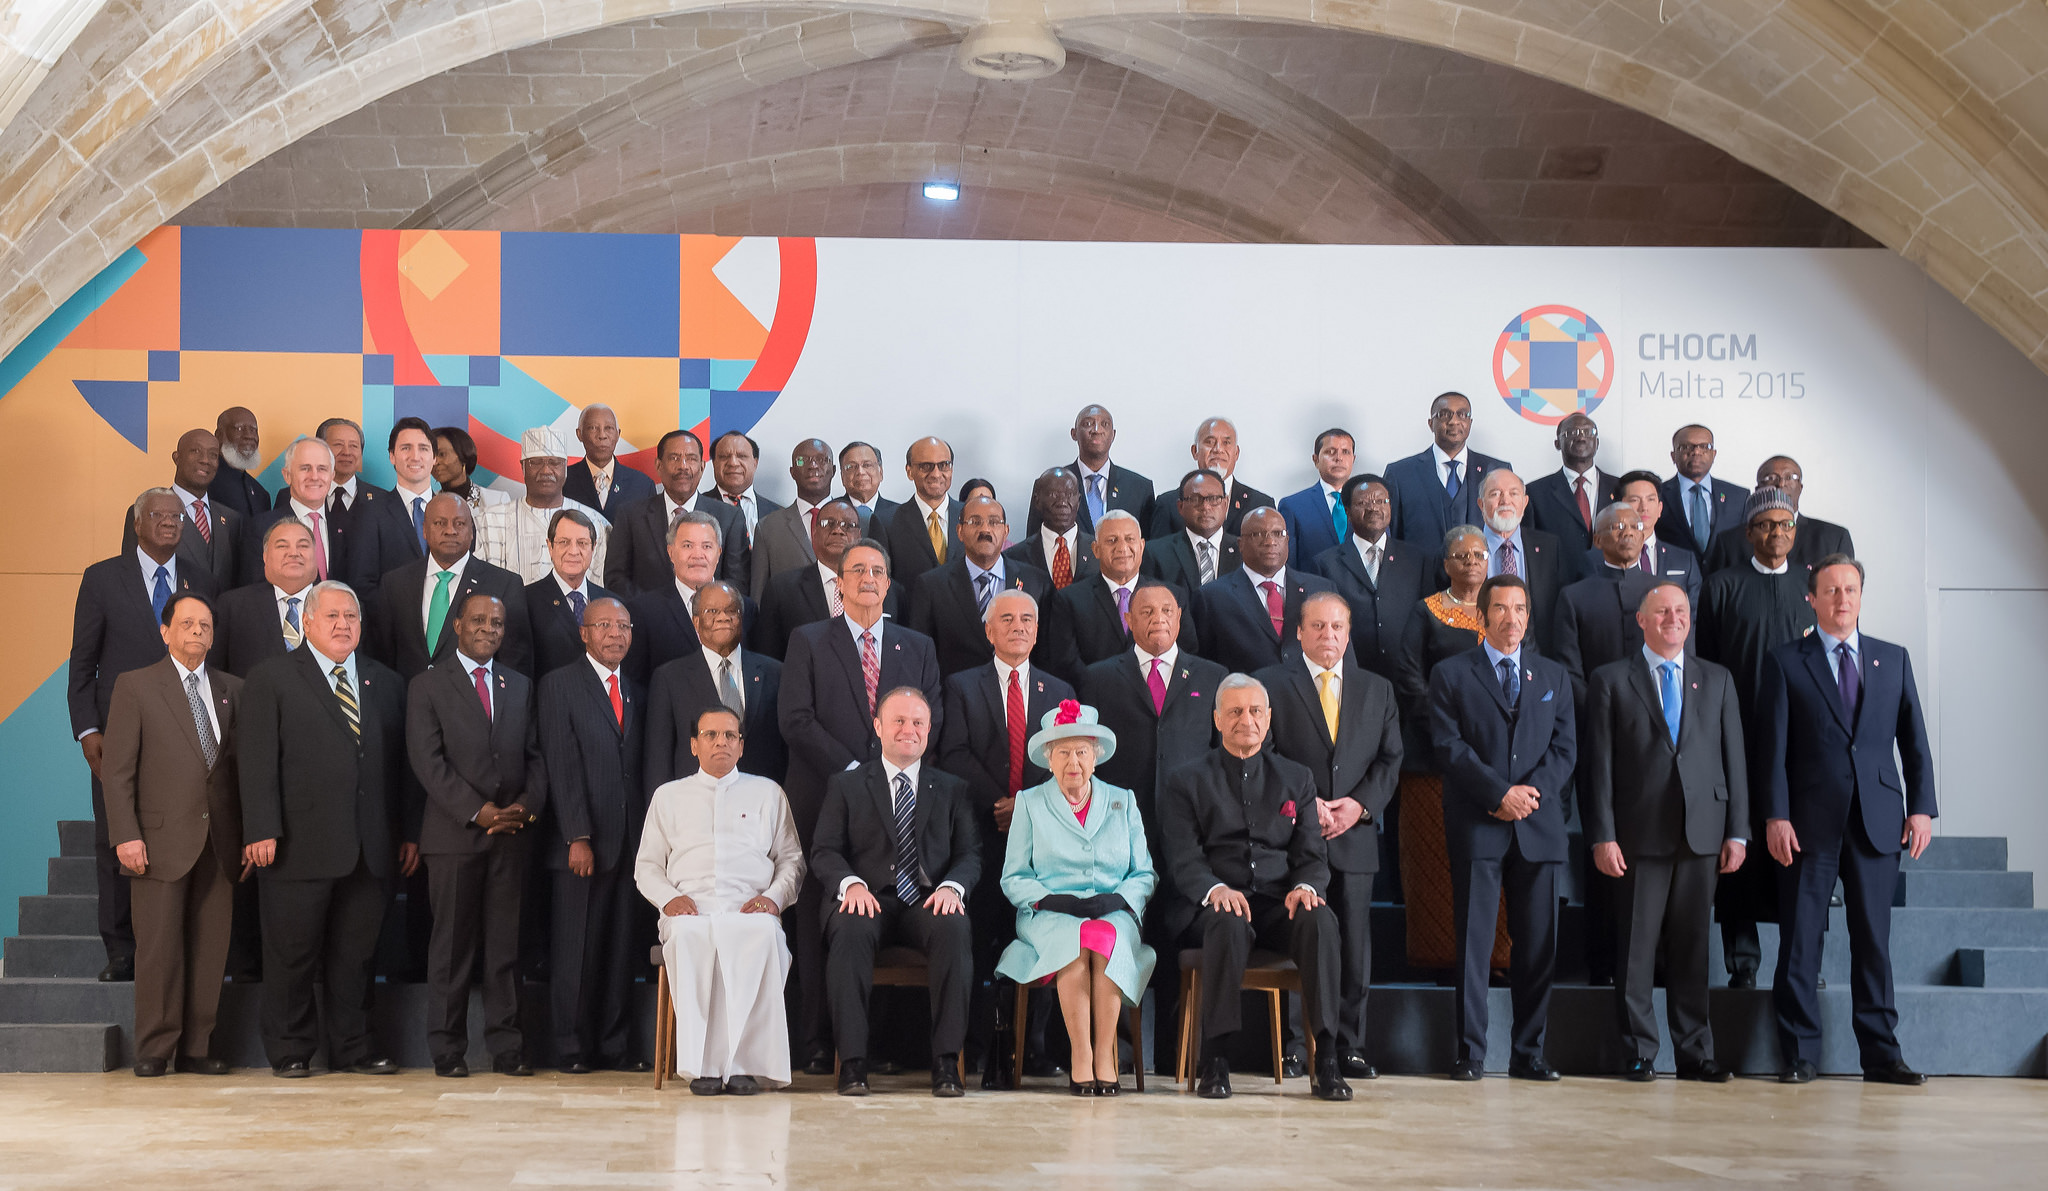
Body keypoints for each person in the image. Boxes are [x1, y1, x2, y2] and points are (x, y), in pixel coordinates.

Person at [1760, 556, 1936, 1086]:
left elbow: (1915, 743)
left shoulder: (1893, 659)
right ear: (1811, 599)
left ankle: (1882, 1056)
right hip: (1808, 824)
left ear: (1861, 597)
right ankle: (1798, 1055)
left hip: (1879, 821)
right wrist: (1775, 815)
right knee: (1801, 941)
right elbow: (1772, 750)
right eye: (1831, 590)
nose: (1842, 599)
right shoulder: (1787, 661)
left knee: (1874, 942)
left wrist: (1922, 807)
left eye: (1851, 589)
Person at [779, 539, 944, 1073]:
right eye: (857, 571)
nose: (868, 579)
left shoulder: (915, 646)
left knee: (894, 904)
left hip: (902, 799)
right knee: (819, 916)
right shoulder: (808, 640)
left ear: (888, 582)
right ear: (841, 584)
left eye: (878, 570)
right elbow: (796, 719)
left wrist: (888, 776)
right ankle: (816, 1042)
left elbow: (929, 718)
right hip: (824, 793)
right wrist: (857, 772)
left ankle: (889, 1045)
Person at [238, 580, 413, 1077]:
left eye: (351, 617)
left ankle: (354, 1049)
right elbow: (255, 761)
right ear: (307, 622)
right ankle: (291, 1050)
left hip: (370, 847)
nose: (343, 625)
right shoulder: (271, 677)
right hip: (295, 846)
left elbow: (399, 769)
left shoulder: (386, 682)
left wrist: (408, 833)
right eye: (332, 617)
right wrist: (261, 829)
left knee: (356, 960)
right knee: (292, 957)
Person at [1584, 581, 1748, 1082]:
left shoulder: (1717, 679)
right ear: (1642, 620)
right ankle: (1639, 1051)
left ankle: (1696, 1053)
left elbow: (1734, 761)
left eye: (1680, 611)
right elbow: (1599, 767)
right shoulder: (1611, 680)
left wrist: (1738, 831)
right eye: (1661, 612)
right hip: (1637, 836)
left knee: (1693, 949)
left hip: (1702, 835)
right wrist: (1602, 834)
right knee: (1635, 950)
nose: (1672, 619)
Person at [1159, 674, 1349, 1101]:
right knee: (1226, 920)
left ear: (1268, 719)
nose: (1247, 719)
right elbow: (1183, 859)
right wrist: (1214, 890)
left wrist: (1304, 886)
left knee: (1320, 918)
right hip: (1213, 905)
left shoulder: (1296, 778)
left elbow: (1312, 856)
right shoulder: (1186, 780)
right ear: (1218, 720)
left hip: (1278, 901)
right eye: (1236, 711)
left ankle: (1328, 1058)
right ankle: (1216, 1058)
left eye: (1255, 711)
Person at [1428, 574, 1575, 1082]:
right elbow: (1448, 747)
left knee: (1537, 947)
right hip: (1479, 824)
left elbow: (1564, 750)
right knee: (1474, 947)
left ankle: (1529, 1053)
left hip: (1539, 827)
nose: (1511, 618)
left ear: (1528, 617)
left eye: (1520, 609)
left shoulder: (1553, 676)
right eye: (1501, 609)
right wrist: (1498, 794)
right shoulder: (1451, 674)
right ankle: (1471, 1053)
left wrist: (1527, 796)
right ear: (1482, 616)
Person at [71, 488, 221, 981]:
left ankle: (178, 942)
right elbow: (83, 665)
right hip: (118, 731)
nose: (169, 522)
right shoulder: (101, 578)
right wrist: (88, 728)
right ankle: (121, 949)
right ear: (136, 523)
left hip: (184, 730)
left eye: (177, 516)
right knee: (116, 835)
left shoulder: (200, 579)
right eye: (158, 515)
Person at [1077, 580, 1224, 1073]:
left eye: (1166, 610)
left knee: (1179, 939)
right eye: (1145, 610)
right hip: (1119, 836)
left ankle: (1178, 1058)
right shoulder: (1098, 678)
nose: (1157, 618)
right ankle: (1116, 1054)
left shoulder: (1212, 676)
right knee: (1119, 941)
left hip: (1190, 837)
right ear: (1129, 621)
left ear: (1180, 618)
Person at [1256, 592, 1401, 1083]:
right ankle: (1298, 1048)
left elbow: (1389, 759)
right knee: (1305, 943)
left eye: (1338, 627)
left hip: (1355, 836)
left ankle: (1350, 1046)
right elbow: (1264, 753)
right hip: (1297, 839)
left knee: (1355, 948)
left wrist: (1359, 805)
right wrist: (1307, 803)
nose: (1329, 636)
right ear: (1299, 632)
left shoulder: (1377, 689)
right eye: (1318, 627)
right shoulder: (1271, 684)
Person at [936, 588, 1077, 1086]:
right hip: (979, 834)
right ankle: (976, 1045)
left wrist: (1026, 806)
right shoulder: (960, 686)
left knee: (1040, 937)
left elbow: (1068, 762)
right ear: (989, 630)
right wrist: (1000, 801)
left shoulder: (1060, 690)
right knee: (977, 939)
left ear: (1038, 631)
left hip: (1041, 840)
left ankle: (1032, 1046)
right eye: (1007, 619)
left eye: (1027, 620)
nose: (1018, 627)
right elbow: (951, 753)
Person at [405, 592, 547, 1078]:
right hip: (454, 836)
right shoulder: (427, 686)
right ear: (458, 624)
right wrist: (477, 811)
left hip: (511, 835)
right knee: (451, 949)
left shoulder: (519, 685)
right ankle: (447, 1051)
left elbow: (534, 756)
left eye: (498, 622)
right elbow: (428, 763)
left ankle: (508, 1049)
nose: (489, 628)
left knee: (505, 947)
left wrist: (525, 808)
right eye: (480, 620)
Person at [101, 591, 242, 1076]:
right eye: (187, 624)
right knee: (159, 946)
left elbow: (238, 771)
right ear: (165, 632)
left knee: (211, 946)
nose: (197, 632)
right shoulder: (136, 686)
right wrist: (125, 834)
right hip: (157, 840)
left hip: (220, 841)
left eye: (205, 625)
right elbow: (117, 771)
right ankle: (156, 1048)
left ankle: (198, 1047)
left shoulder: (232, 689)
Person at [814, 687, 979, 1097]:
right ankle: (853, 1064)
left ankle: (945, 1064)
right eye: (899, 721)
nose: (909, 730)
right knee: (850, 928)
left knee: (955, 926)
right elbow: (824, 851)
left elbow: (971, 854)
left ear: (929, 729)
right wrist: (849, 884)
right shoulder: (847, 784)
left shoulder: (953, 789)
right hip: (868, 898)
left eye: (918, 723)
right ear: (878, 727)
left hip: (927, 899)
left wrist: (953, 887)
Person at [636, 705, 805, 1094]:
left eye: (730, 735)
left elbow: (792, 860)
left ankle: (744, 1066)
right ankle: (703, 1068)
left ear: (742, 746)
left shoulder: (768, 793)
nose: (721, 743)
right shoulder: (668, 796)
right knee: (691, 939)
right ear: (694, 745)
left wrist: (773, 899)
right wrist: (669, 899)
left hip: (750, 907)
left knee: (762, 936)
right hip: (689, 908)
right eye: (711, 735)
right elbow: (646, 866)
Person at [997, 702, 1157, 1096]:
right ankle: (1081, 1056)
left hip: (1112, 911)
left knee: (1103, 938)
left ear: (1096, 756)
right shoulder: (1030, 803)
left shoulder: (1124, 800)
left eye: (1082, 751)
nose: (1074, 762)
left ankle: (1106, 1056)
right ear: (1049, 758)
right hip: (1048, 914)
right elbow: (1013, 877)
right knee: (1075, 941)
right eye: (1063, 752)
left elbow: (1145, 874)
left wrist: (1117, 899)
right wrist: (1054, 901)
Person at [1695, 487, 1816, 989]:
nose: (1776, 533)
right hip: (1736, 737)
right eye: (1765, 525)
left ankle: (1800, 962)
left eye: (1784, 525)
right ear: (1748, 533)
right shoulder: (1721, 587)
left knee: (1798, 855)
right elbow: (1703, 664)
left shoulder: (1813, 589)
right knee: (1738, 849)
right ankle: (1741, 963)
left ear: (1795, 531)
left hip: (1801, 743)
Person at [537, 596, 651, 1073]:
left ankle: (615, 1046)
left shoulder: (638, 690)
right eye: (603, 625)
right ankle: (571, 1048)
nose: (614, 634)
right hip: (582, 844)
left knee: (622, 949)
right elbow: (561, 765)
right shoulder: (559, 684)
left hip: (630, 844)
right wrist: (576, 836)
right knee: (576, 951)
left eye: (623, 626)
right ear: (583, 633)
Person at [1393, 524, 1492, 971]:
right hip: (1433, 757)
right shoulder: (1426, 611)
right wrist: (1450, 725)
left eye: (1479, 554)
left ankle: (1495, 959)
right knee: (1433, 863)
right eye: (1462, 555)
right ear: (1446, 564)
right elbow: (1409, 677)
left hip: (1494, 760)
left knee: (1490, 865)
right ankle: (1437, 956)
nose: (1472, 562)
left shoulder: (1504, 609)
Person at [369, 493, 532, 680]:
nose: (450, 531)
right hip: (407, 704)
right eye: (440, 523)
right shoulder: (395, 584)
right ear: (424, 530)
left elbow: (516, 667)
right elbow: (382, 659)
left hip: (474, 706)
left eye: (459, 523)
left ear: (471, 532)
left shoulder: (504, 585)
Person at [645, 580, 785, 787]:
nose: (723, 617)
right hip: (694, 804)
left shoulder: (775, 672)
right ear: (696, 622)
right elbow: (658, 759)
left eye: (731, 610)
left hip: (759, 802)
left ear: (741, 618)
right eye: (712, 611)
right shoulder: (669, 678)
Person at [907, 494, 1055, 676]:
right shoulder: (931, 586)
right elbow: (921, 656)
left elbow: (1047, 654)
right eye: (975, 522)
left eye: (994, 522)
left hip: (1020, 695)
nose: (985, 529)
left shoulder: (1036, 582)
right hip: (956, 698)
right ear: (959, 531)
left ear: (1006, 531)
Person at [1047, 509, 1195, 678]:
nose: (1122, 548)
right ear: (1096, 549)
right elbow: (1065, 662)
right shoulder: (1069, 600)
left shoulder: (1172, 595)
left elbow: (1187, 654)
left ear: (1142, 546)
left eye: (1129, 539)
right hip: (1095, 697)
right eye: (1112, 540)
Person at [1314, 474, 1428, 686]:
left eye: (1380, 501)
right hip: (1351, 679)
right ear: (1347, 511)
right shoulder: (1325, 564)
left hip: (1409, 678)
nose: (1373, 507)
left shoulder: (1416, 560)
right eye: (1363, 502)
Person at [605, 429, 748, 596]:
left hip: (708, 618)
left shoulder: (729, 517)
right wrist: (651, 608)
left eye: (691, 458)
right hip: (647, 619)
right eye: (674, 458)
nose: (683, 466)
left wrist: (701, 604)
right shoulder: (630, 515)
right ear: (658, 466)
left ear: (702, 467)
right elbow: (615, 579)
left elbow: (738, 582)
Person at [622, 510, 757, 684]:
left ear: (719, 553)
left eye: (707, 546)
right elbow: (635, 684)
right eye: (687, 546)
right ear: (671, 552)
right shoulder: (643, 611)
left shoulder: (746, 609)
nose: (697, 555)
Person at [1194, 507, 1333, 675]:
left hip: (1311, 695)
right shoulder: (1212, 597)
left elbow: (1342, 654)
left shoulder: (1321, 589)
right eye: (1258, 534)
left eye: (1277, 533)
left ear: (1287, 539)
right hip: (1246, 697)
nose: (1270, 542)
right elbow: (1205, 666)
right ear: (1240, 544)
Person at [756, 498, 896, 660]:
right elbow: (768, 660)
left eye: (847, 525)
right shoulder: (782, 589)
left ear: (859, 535)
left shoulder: (888, 590)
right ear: (814, 534)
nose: (837, 531)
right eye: (828, 524)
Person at [477, 427, 611, 584]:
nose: (546, 470)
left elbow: (600, 590)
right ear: (523, 467)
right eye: (536, 462)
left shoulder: (596, 523)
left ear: (565, 468)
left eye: (554, 463)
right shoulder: (490, 521)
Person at [1383, 391, 1511, 550]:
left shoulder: (1496, 470)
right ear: (1430, 423)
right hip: (1419, 572)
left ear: (1470, 422)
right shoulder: (1400, 474)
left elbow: (1508, 531)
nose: (1454, 421)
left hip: (1481, 572)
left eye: (1462, 415)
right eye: (1444, 414)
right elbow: (1391, 534)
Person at [119, 428, 240, 586]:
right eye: (195, 451)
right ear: (176, 458)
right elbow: (131, 575)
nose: (205, 460)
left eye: (213, 455)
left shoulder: (231, 519)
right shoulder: (145, 511)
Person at [1703, 455, 1857, 575]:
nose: (1781, 484)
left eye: (1790, 477)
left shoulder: (1834, 538)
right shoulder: (1730, 541)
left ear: (1800, 487)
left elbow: (1847, 596)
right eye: (1771, 478)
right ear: (1758, 489)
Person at [344, 417, 440, 598]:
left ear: (434, 457)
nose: (415, 456)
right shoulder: (370, 513)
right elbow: (362, 584)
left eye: (423, 448)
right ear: (392, 456)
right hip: (392, 623)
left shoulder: (453, 512)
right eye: (406, 448)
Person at [213, 518, 319, 677]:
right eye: (282, 546)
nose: (293, 553)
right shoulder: (232, 607)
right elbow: (216, 674)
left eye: (303, 545)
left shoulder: (343, 605)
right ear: (265, 556)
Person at [1475, 469, 1563, 654]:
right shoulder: (1466, 548)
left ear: (1524, 503)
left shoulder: (1549, 547)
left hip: (1538, 659)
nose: (1505, 501)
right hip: (1479, 658)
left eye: (1513, 493)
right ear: (1481, 504)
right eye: (1495, 494)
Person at [524, 509, 618, 679]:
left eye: (582, 543)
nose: (573, 551)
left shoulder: (611, 602)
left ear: (593, 547)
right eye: (564, 542)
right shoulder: (527, 601)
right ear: (550, 547)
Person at [1524, 412, 1614, 583]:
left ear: (1597, 443)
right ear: (1557, 444)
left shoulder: (1619, 488)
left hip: (1610, 587)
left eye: (1588, 432)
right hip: (1556, 589)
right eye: (1571, 433)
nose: (1581, 438)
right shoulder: (1535, 493)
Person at [239, 437, 339, 587]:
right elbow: (255, 590)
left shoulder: (349, 525)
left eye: (322, 469)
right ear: (287, 475)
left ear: (332, 476)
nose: (314, 476)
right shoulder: (261, 528)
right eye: (305, 468)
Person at [1149, 417, 1273, 537]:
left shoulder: (1260, 504)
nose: (1218, 449)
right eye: (1210, 442)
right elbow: (1157, 555)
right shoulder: (1167, 504)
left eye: (1226, 443)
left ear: (1236, 453)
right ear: (1195, 451)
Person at [749, 438, 837, 601]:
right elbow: (759, 596)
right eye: (803, 460)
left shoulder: (856, 522)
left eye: (821, 459)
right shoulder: (768, 527)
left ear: (833, 470)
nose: (813, 465)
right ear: (792, 472)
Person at [1609, 469, 1702, 606]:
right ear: (1618, 508)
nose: (1644, 507)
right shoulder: (1601, 560)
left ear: (1660, 508)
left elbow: (1692, 615)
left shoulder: (1685, 560)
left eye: (1651, 499)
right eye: (1635, 500)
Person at [1056, 404, 1154, 535]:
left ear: (1113, 435)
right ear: (1074, 434)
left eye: (1105, 424)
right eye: (1088, 423)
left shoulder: (1139, 488)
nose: (1097, 430)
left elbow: (1148, 548)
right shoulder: (1053, 484)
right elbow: (1034, 546)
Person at [880, 436, 962, 591]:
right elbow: (884, 584)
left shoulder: (969, 516)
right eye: (926, 466)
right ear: (909, 471)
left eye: (944, 465)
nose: (936, 474)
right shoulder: (887, 522)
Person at [1143, 470, 1243, 592]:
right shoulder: (1155, 553)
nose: (1205, 507)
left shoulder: (1244, 551)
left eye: (1214, 499)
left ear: (1226, 504)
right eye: (1195, 499)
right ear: (1180, 507)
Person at [1657, 424, 1747, 558]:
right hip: (1673, 578)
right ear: (1673, 456)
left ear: (1714, 454)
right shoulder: (1657, 495)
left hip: (1726, 577)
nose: (1696, 452)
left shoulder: (1739, 497)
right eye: (1686, 447)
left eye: (1705, 447)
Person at [1277, 428, 1355, 575]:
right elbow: (1288, 565)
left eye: (1345, 452)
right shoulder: (1293, 506)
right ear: (1316, 459)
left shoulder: (1369, 504)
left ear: (1353, 459)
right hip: (1313, 593)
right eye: (1330, 452)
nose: (1338, 458)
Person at [1006, 468, 1096, 589]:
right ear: (1037, 501)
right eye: (1053, 495)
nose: (1062, 503)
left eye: (1069, 495)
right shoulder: (1013, 557)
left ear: (1078, 501)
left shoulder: (1100, 552)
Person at [561, 404, 655, 520]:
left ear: (618, 434)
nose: (602, 435)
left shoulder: (642, 485)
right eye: (593, 428)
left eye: (608, 428)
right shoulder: (563, 480)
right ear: (579, 434)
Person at [708, 431, 780, 550]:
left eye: (742, 456)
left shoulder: (778, 515)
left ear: (755, 463)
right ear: (714, 463)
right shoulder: (696, 508)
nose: (733, 463)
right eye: (724, 457)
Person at [430, 425, 514, 516]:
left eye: (442, 454)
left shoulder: (497, 501)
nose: (435, 462)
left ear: (463, 456)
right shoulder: (428, 504)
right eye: (432, 456)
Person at [208, 406, 273, 519]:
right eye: (239, 429)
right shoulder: (204, 484)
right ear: (219, 436)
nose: (249, 436)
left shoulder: (261, 494)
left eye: (253, 430)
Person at [836, 441, 897, 534]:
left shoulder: (899, 514)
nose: (860, 472)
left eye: (867, 465)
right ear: (842, 476)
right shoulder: (831, 512)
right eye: (851, 467)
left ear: (880, 472)